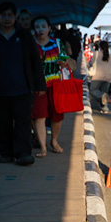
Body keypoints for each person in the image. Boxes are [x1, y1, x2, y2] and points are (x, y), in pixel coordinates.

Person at [0, 2, 45, 166]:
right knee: (2, 123)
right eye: (3, 15)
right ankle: (5, 153)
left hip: (22, 89)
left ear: (15, 17)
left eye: (10, 15)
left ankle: (23, 153)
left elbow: (35, 62)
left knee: (23, 123)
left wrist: (39, 85)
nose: (7, 19)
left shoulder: (25, 36)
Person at [31, 15, 74, 157]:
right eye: (37, 27)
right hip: (38, 85)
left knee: (57, 116)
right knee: (39, 116)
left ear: (49, 28)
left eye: (43, 26)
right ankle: (43, 147)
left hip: (56, 84)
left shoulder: (57, 42)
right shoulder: (31, 44)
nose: (40, 29)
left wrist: (63, 62)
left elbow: (64, 58)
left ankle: (54, 141)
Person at [88, 40, 111, 114]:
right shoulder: (110, 56)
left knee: (93, 91)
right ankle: (105, 108)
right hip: (108, 78)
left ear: (100, 47)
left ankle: (101, 96)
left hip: (97, 77)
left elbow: (91, 63)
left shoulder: (96, 54)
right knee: (104, 93)